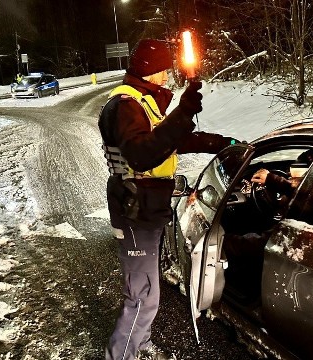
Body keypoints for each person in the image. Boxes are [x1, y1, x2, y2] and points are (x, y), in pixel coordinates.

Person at [98, 39, 237, 360]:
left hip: (147, 207)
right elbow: (143, 154)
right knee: (143, 295)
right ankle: (121, 354)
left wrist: (223, 143)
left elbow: (172, 139)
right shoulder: (124, 105)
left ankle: (138, 342)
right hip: (134, 209)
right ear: (152, 69)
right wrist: (184, 110)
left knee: (146, 288)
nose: (168, 74)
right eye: (164, 67)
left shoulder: (142, 102)